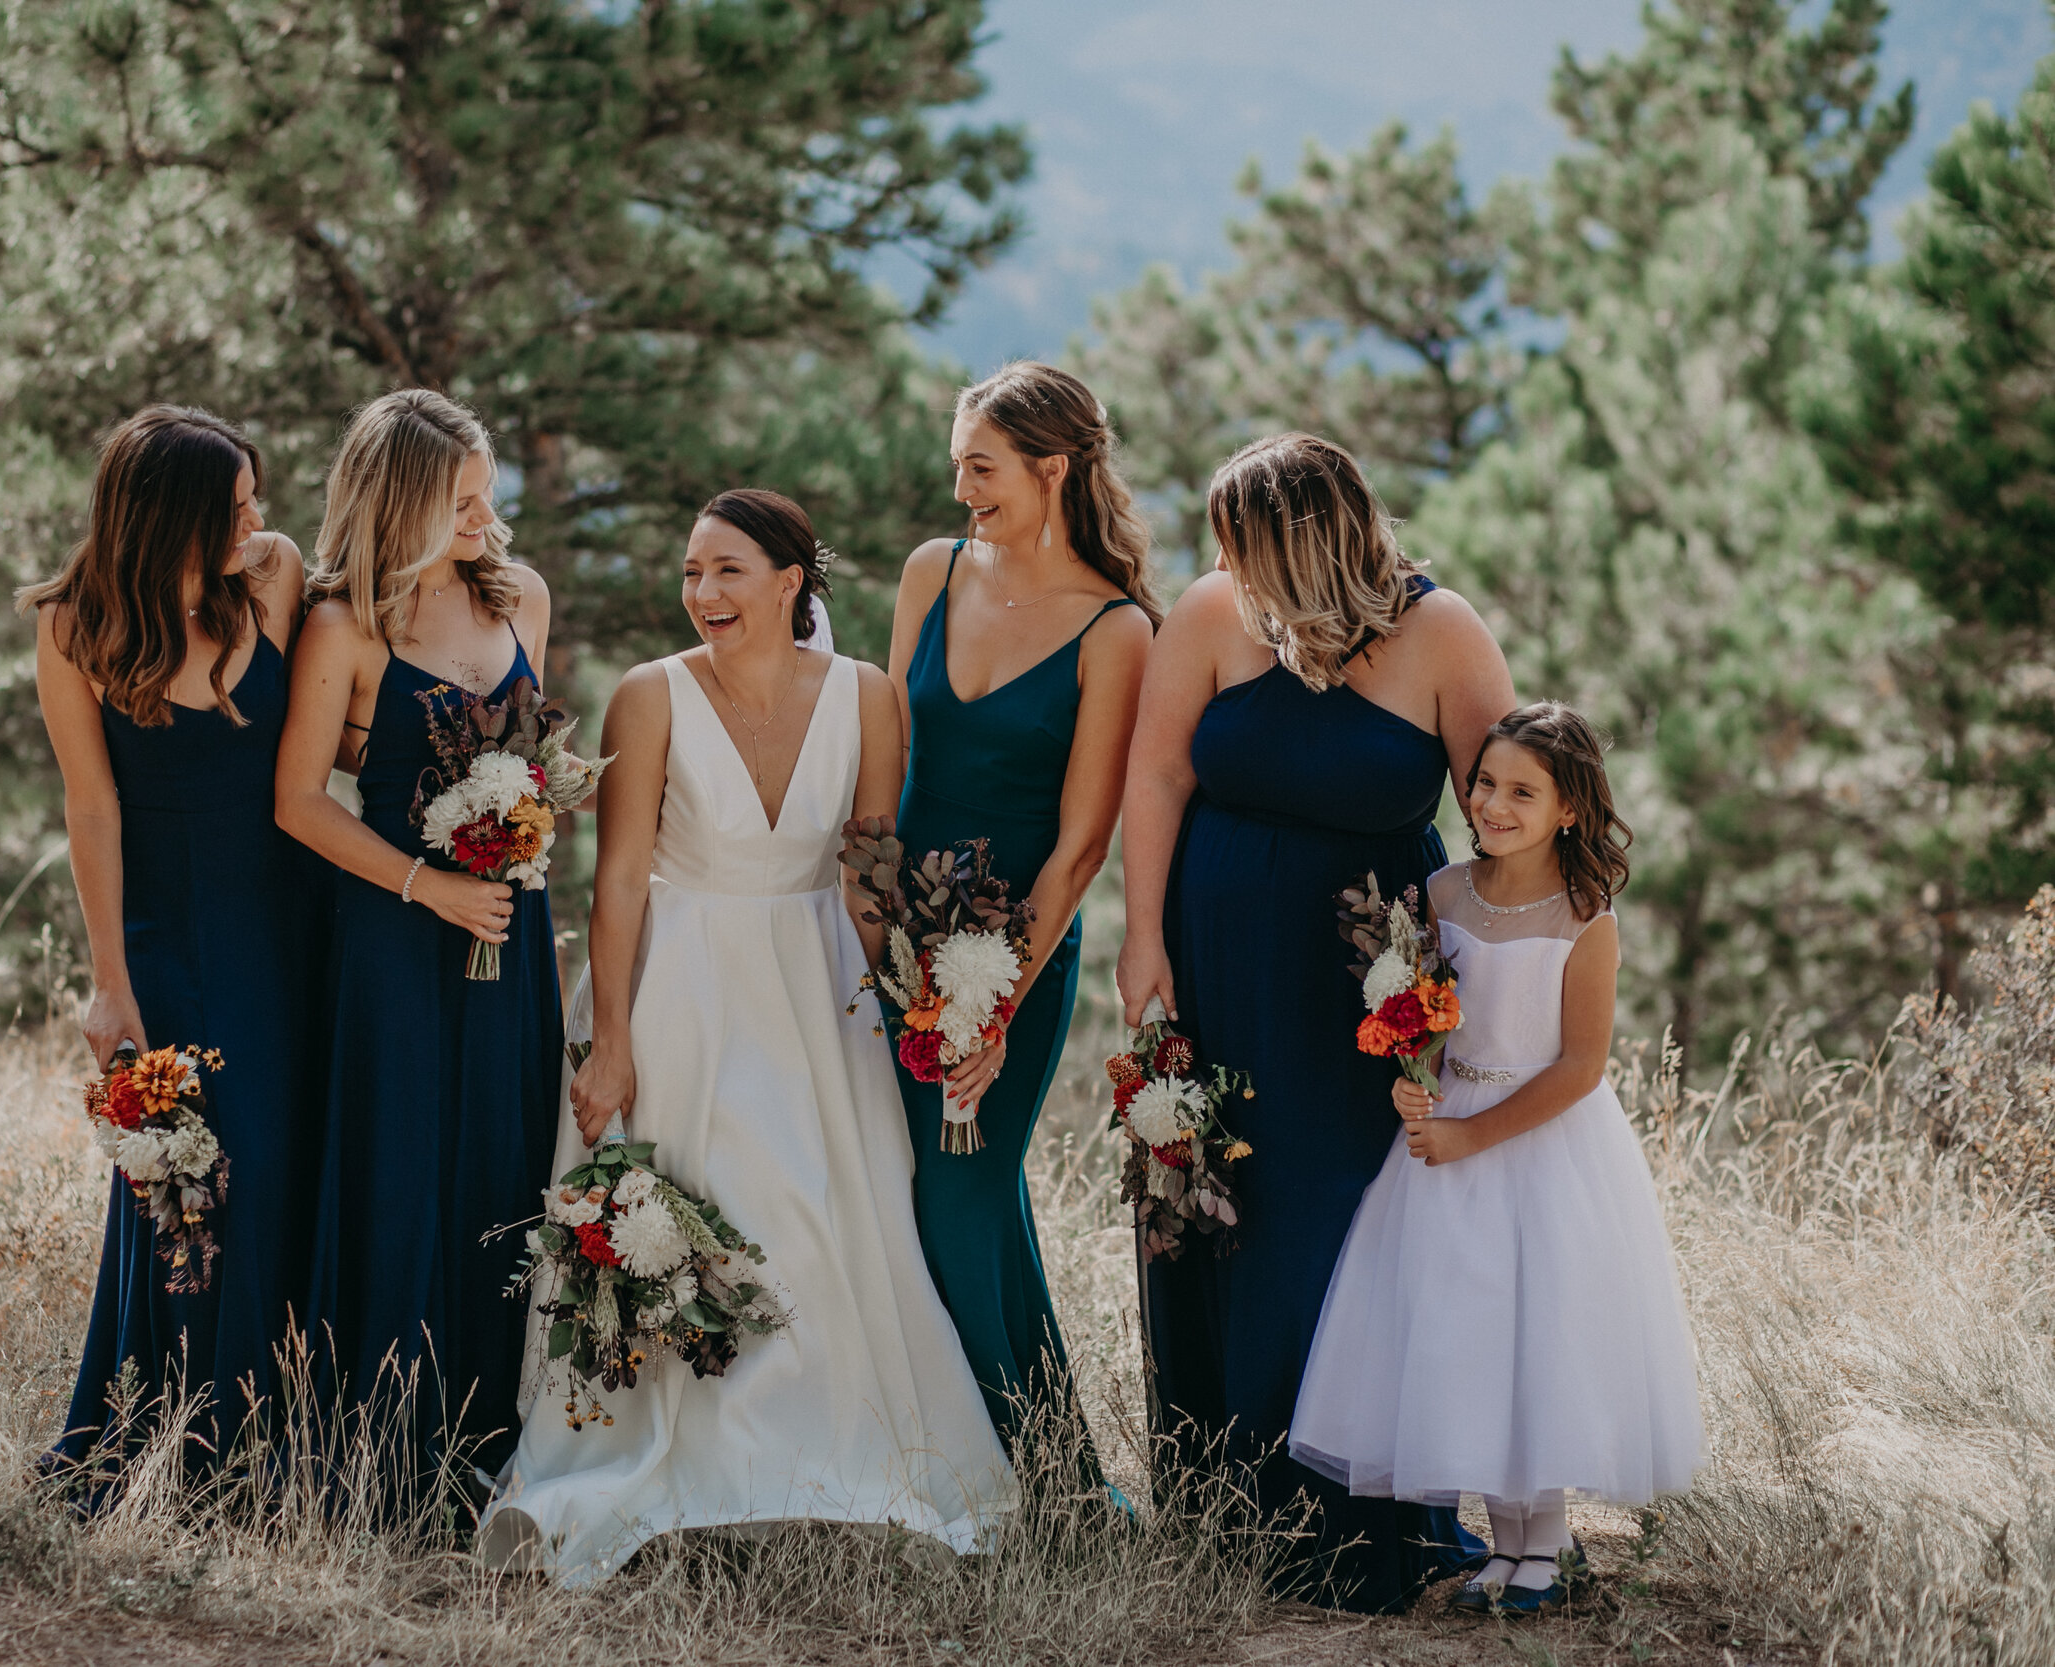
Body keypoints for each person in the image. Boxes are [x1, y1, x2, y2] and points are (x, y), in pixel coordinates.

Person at [480, 489, 1015, 1584]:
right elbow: (620, 876)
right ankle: (686, 1464)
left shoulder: (866, 696)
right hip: (680, 983)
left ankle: (822, 1458)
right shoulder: (649, 695)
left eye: (727, 570)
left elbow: (869, 875)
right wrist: (611, 1041)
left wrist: (920, 1004)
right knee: (700, 1207)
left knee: (825, 1213)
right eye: (690, 572)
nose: (702, 593)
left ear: (790, 581)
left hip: (817, 988)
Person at [1116, 432, 1517, 1611]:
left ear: (1308, 535)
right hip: (1218, 956)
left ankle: (1346, 1518)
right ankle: (1223, 1505)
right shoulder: (1207, 614)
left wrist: (1502, 976)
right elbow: (1156, 777)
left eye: (1243, 540)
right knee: (1218, 1204)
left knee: (1339, 1216)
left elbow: (1502, 805)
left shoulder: (1442, 633)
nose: (1225, 561)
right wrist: (1144, 936)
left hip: (1364, 980)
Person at [1289, 703, 1703, 1616]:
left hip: (1540, 1140)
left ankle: (1545, 1546)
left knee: (1537, 1331)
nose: (1495, 803)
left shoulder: (1584, 915)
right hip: (1446, 1138)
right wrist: (1415, 1081)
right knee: (1468, 1325)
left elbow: (1582, 1066)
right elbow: (1429, 1017)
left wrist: (1478, 1132)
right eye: (1485, 783)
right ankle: (1502, 1544)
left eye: (1523, 790)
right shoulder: (1442, 896)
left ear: (1569, 808)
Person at [25, 405, 327, 1471]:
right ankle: (172, 1446)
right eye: (236, 507)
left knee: (287, 1168)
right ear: (169, 518)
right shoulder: (74, 625)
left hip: (294, 929)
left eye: (255, 500)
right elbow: (91, 809)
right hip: (171, 942)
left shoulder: (277, 577)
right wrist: (109, 981)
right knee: (185, 1190)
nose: (259, 521)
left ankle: (285, 1438)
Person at [274, 390, 559, 1500]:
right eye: (464, 504)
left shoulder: (521, 595)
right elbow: (299, 800)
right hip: (394, 930)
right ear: (399, 506)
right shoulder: (344, 626)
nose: (487, 521)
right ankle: (383, 1446)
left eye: (490, 499)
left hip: (509, 926)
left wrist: (522, 829)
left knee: (504, 1161)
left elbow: (531, 753)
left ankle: (487, 1445)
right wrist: (425, 883)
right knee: (399, 1165)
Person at [884, 362, 1155, 1461]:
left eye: (983, 468)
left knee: (961, 1194)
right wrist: (868, 922)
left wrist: (988, 1004)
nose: (963, 491)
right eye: (957, 466)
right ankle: (1026, 1473)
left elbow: (1084, 842)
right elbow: (882, 750)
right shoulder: (930, 571)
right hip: (890, 936)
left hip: (1016, 949)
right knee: (913, 1197)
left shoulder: (1117, 628)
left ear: (1055, 468)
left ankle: (1038, 1479)